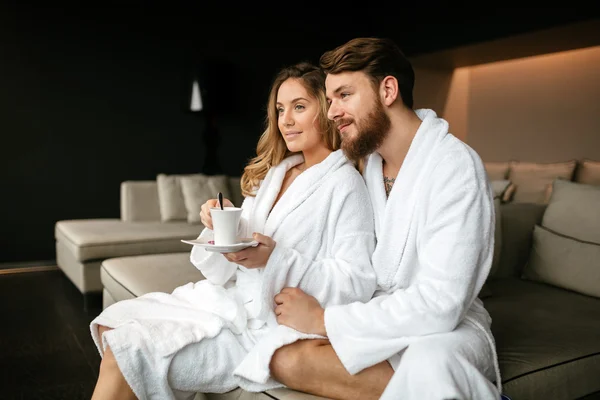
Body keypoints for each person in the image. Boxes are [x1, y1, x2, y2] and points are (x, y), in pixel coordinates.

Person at [88, 61, 377, 400]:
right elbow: (238, 256)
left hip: (261, 328)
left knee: (129, 349)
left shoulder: (345, 184)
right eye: (280, 109)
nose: (285, 120)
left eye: (299, 107)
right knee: (113, 324)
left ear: (327, 110)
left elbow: (357, 280)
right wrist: (222, 226)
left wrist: (276, 260)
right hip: (225, 303)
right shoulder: (277, 174)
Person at [269, 38, 503, 400]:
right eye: (330, 100)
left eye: (344, 95)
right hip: (380, 313)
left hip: (447, 327)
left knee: (429, 362)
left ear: (389, 89)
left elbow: (442, 302)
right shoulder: (370, 165)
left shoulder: (454, 165)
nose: (332, 112)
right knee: (281, 356)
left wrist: (323, 320)